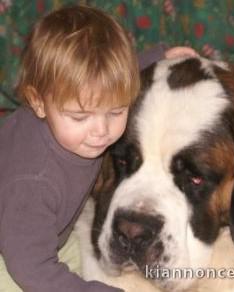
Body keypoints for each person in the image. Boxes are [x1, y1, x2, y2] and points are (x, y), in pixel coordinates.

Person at [0, 5, 197, 292]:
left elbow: (108, 83)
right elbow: (33, 269)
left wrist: (158, 56)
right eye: (81, 117)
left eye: (116, 111)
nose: (101, 130)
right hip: (10, 257)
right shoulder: (34, 182)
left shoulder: (76, 101)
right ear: (38, 103)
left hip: (41, 232)